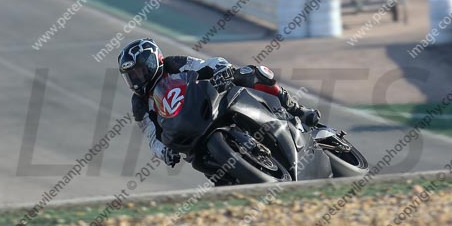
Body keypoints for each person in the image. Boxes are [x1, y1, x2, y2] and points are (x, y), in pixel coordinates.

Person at [118, 38, 321, 167]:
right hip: (185, 132)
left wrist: (222, 68)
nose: (136, 79)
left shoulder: (173, 64)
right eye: (131, 75)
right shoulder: (139, 103)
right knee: (202, 166)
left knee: (253, 73)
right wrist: (164, 152)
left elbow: (204, 64)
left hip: (204, 104)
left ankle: (296, 109)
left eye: (139, 71)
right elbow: (151, 136)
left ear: (153, 61)